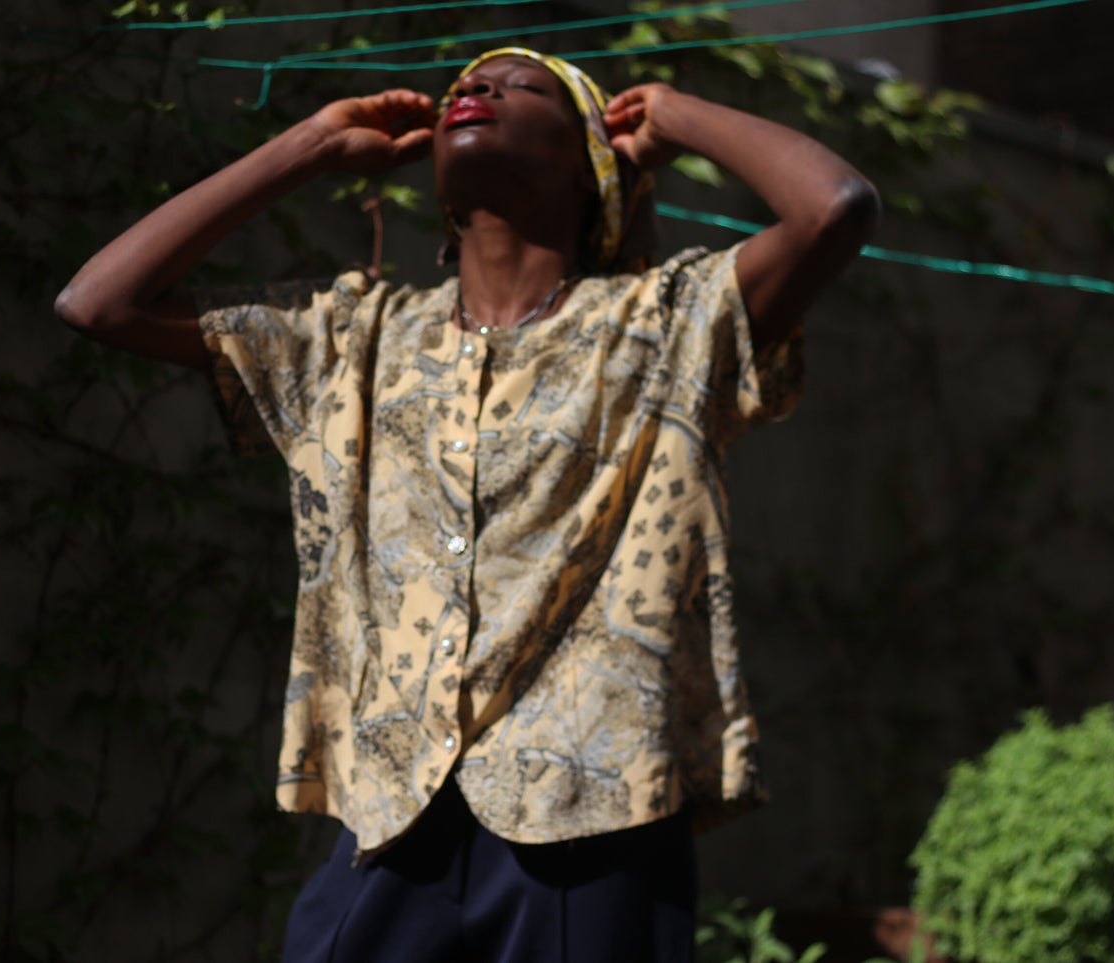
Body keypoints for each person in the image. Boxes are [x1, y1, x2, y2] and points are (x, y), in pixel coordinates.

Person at [56, 47, 877, 963]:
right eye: (463, 88)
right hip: (390, 820)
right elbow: (99, 303)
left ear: (591, 164)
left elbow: (833, 206)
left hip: (593, 818)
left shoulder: (668, 323)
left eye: (521, 87)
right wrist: (311, 144)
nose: (476, 90)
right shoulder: (349, 338)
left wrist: (675, 117)